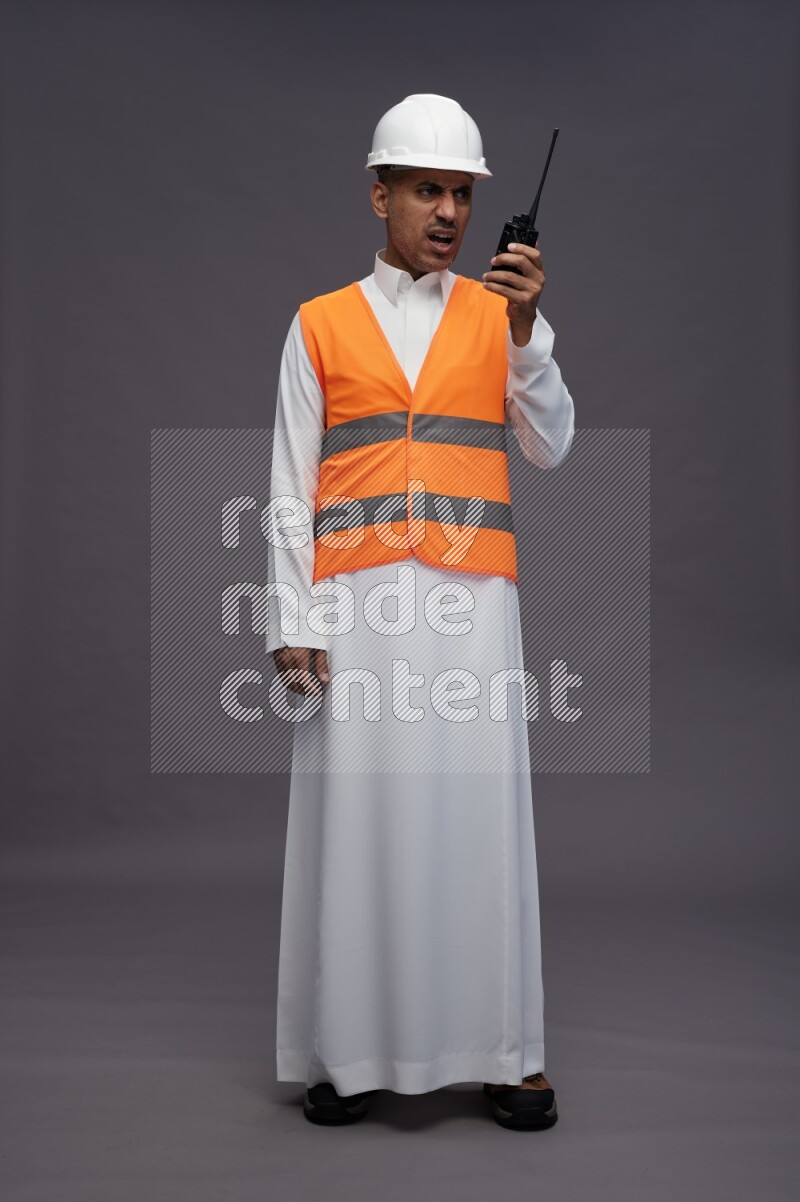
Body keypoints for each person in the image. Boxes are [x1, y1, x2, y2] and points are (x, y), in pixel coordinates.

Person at [265, 94, 575, 1130]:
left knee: (478, 820)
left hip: (471, 606)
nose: (447, 210)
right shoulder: (317, 323)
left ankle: (504, 1050)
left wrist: (527, 337)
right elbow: (287, 482)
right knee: (357, 822)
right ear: (379, 194)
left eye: (460, 192)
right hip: (352, 607)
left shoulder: (502, 315)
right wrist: (289, 618)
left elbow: (551, 444)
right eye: (426, 189)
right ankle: (348, 1053)